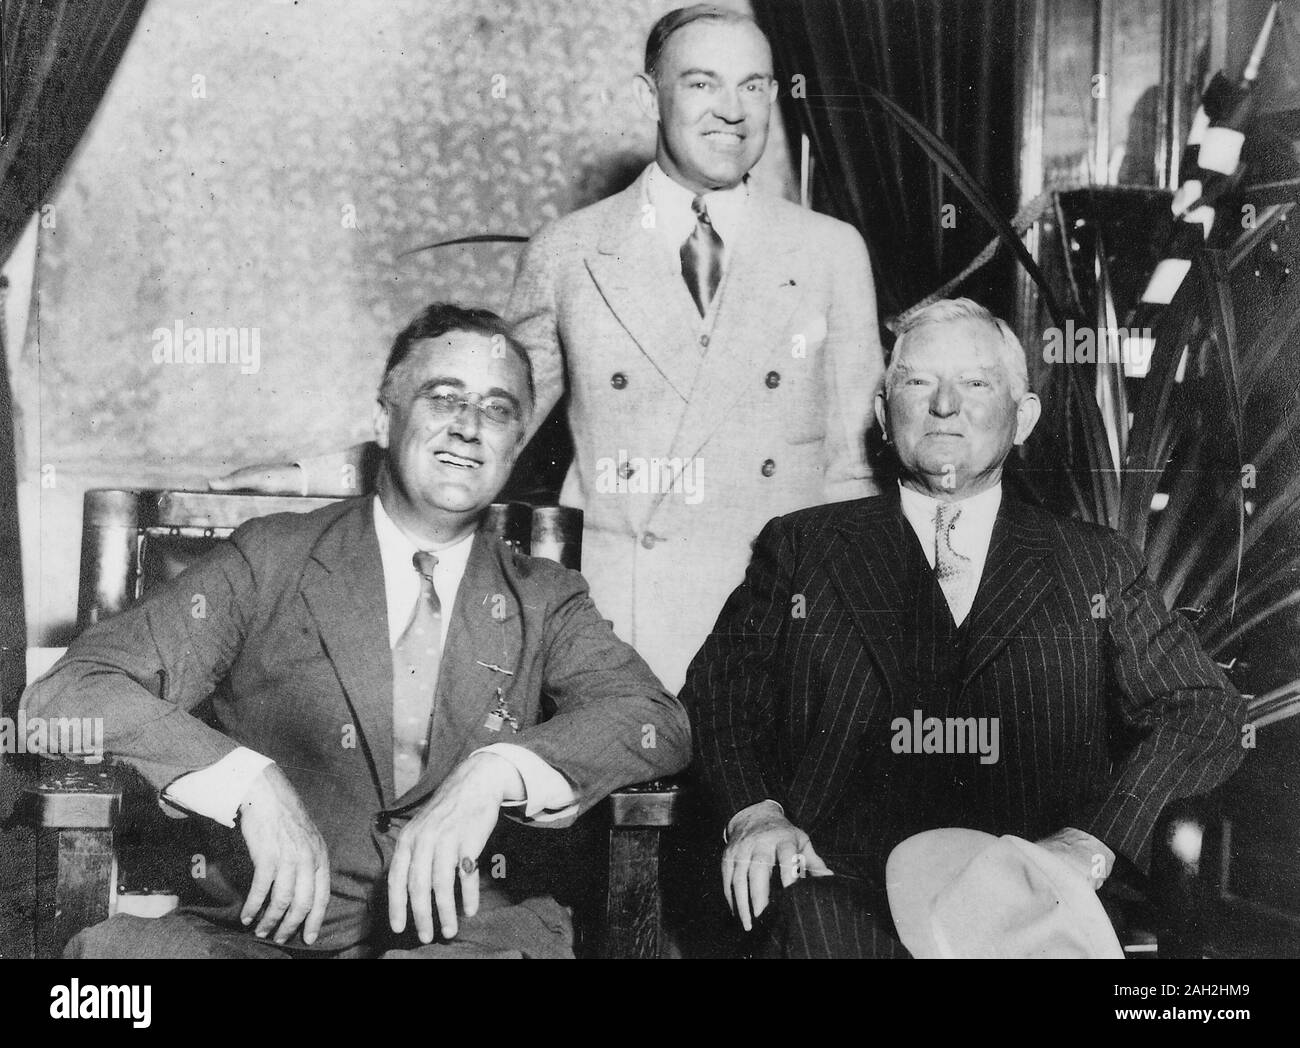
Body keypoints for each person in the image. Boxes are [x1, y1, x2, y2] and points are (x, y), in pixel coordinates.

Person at [212, 5, 884, 694]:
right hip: (629, 631)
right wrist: (307, 474)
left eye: (753, 86)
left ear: (775, 96)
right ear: (649, 97)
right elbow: (488, 421)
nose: (732, 110)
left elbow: (854, 471)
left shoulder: (830, 252)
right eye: (703, 84)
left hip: (781, 629)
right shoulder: (569, 252)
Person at [22, 303, 690, 958]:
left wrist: (496, 771)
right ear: (383, 417)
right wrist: (246, 782)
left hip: (465, 941)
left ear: (516, 443)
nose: (468, 427)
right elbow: (70, 691)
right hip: (258, 937)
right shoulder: (270, 560)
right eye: (443, 396)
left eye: (497, 409)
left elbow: (652, 718)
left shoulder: (544, 597)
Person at [681, 298, 1249, 958]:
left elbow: (1206, 710)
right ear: (883, 416)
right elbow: (718, 696)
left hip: (1027, 910)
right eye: (918, 382)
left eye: (976, 383)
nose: (944, 405)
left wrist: (1093, 841)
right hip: (837, 896)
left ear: (1022, 418)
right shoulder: (805, 547)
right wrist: (755, 814)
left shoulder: (1092, 561)